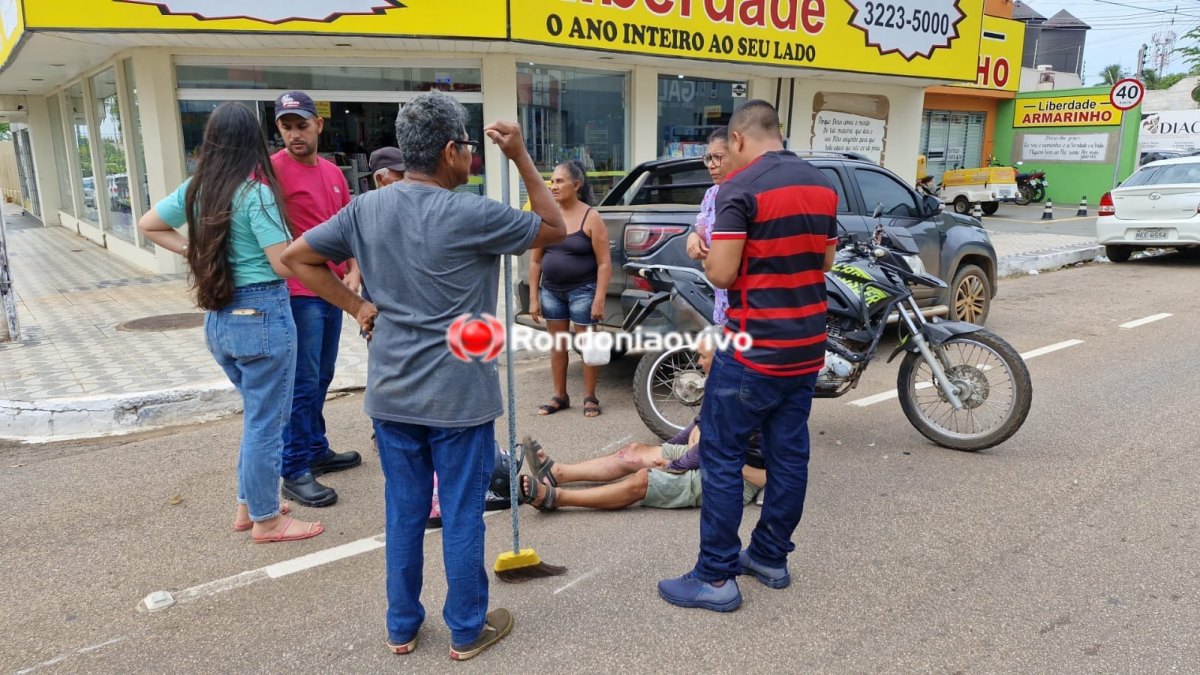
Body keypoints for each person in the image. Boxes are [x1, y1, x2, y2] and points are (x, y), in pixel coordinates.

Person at [280, 90, 566, 660]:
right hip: (459, 397)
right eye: (466, 150)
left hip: (391, 394)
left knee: (405, 512)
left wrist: (357, 307)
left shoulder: (368, 207)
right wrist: (521, 158)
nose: (470, 160)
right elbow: (554, 227)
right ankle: (465, 630)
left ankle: (401, 627)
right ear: (450, 151)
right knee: (460, 514)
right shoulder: (473, 212)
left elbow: (294, 258)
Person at [658, 100, 839, 612]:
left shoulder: (742, 187)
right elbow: (825, 258)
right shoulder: (821, 183)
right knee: (789, 453)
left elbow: (720, 274)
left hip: (752, 347)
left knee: (720, 456)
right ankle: (770, 557)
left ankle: (714, 576)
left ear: (738, 139)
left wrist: (706, 247)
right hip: (805, 347)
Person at [137, 102, 322, 544]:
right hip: (262, 314)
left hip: (221, 318)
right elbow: (282, 264)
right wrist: (319, 254)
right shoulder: (255, 193)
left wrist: (196, 252)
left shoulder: (196, 188)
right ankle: (266, 520)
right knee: (267, 422)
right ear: (255, 141)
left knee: (259, 417)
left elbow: (149, 224)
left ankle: (249, 505)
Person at [518, 336, 764, 512]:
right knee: (633, 452)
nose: (698, 362)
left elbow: (710, 447)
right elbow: (700, 425)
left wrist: (672, 464)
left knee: (644, 479)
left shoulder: (738, 396)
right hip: (710, 454)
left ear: (722, 358)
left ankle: (555, 498)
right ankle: (557, 472)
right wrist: (669, 448)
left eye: (703, 356)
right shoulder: (720, 380)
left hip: (736, 478)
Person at [271, 90, 363, 508]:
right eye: (286, 127)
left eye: (301, 125)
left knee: (322, 376)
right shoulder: (270, 173)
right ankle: (293, 468)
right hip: (299, 291)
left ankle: (315, 448)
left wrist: (355, 269)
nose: (294, 135)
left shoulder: (332, 172)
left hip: (334, 289)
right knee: (303, 383)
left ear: (318, 125)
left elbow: (347, 226)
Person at [527, 159, 612, 417]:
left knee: (588, 346)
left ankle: (589, 397)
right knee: (558, 346)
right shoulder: (546, 216)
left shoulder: (591, 217)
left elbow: (605, 263)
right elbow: (535, 260)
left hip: (583, 291)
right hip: (551, 292)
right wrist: (534, 297)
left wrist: (599, 298)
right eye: (552, 181)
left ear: (576, 185)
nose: (553, 186)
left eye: (559, 181)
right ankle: (560, 396)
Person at [685, 127, 732, 325]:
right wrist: (693, 238)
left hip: (746, 308)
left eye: (718, 157)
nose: (711, 165)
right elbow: (702, 231)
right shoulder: (711, 195)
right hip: (721, 303)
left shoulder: (747, 194)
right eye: (708, 158)